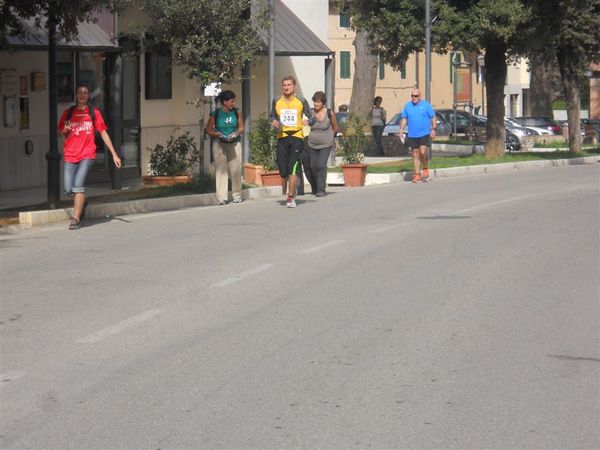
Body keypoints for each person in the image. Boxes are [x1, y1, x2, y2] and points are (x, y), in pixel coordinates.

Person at [58, 83, 121, 230]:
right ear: (76, 95)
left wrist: (114, 154)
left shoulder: (93, 113)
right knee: (68, 189)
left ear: (88, 96)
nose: (82, 95)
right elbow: (62, 133)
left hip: (87, 154)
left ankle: (76, 219)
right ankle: (81, 202)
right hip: (70, 155)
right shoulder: (68, 113)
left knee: (78, 186)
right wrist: (64, 131)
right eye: (79, 92)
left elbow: (103, 133)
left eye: (85, 92)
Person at [270, 76, 314, 208]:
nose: (286, 87)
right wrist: (273, 121)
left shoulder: (301, 100)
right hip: (282, 137)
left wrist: (308, 121)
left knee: (292, 168)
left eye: (289, 85)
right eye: (284, 85)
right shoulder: (277, 100)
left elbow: (311, 116)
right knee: (283, 171)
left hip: (297, 137)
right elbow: (272, 115)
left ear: (294, 86)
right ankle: (293, 184)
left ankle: (290, 197)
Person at [205, 90, 244, 205]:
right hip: (219, 144)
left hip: (234, 143)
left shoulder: (237, 113)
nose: (234, 103)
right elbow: (208, 130)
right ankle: (222, 197)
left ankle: (237, 195)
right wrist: (216, 134)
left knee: (235, 169)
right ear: (225, 102)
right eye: (232, 101)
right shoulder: (215, 114)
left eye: (234, 101)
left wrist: (235, 134)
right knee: (221, 170)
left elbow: (241, 128)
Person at [304, 91, 338, 197]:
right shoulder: (310, 112)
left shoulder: (329, 112)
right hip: (312, 143)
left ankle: (321, 190)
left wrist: (331, 137)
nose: (316, 104)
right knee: (313, 166)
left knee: (321, 165)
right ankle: (315, 187)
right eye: (314, 102)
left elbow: (335, 127)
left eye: (318, 102)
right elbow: (305, 122)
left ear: (323, 103)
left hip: (326, 143)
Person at [399, 88, 437, 182]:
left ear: (420, 96)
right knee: (415, 154)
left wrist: (433, 129)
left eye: (415, 96)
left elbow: (433, 117)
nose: (413, 98)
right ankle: (417, 175)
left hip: (424, 133)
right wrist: (401, 129)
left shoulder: (426, 105)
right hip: (412, 134)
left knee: (423, 152)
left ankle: (425, 167)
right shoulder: (408, 106)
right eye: (412, 96)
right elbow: (404, 118)